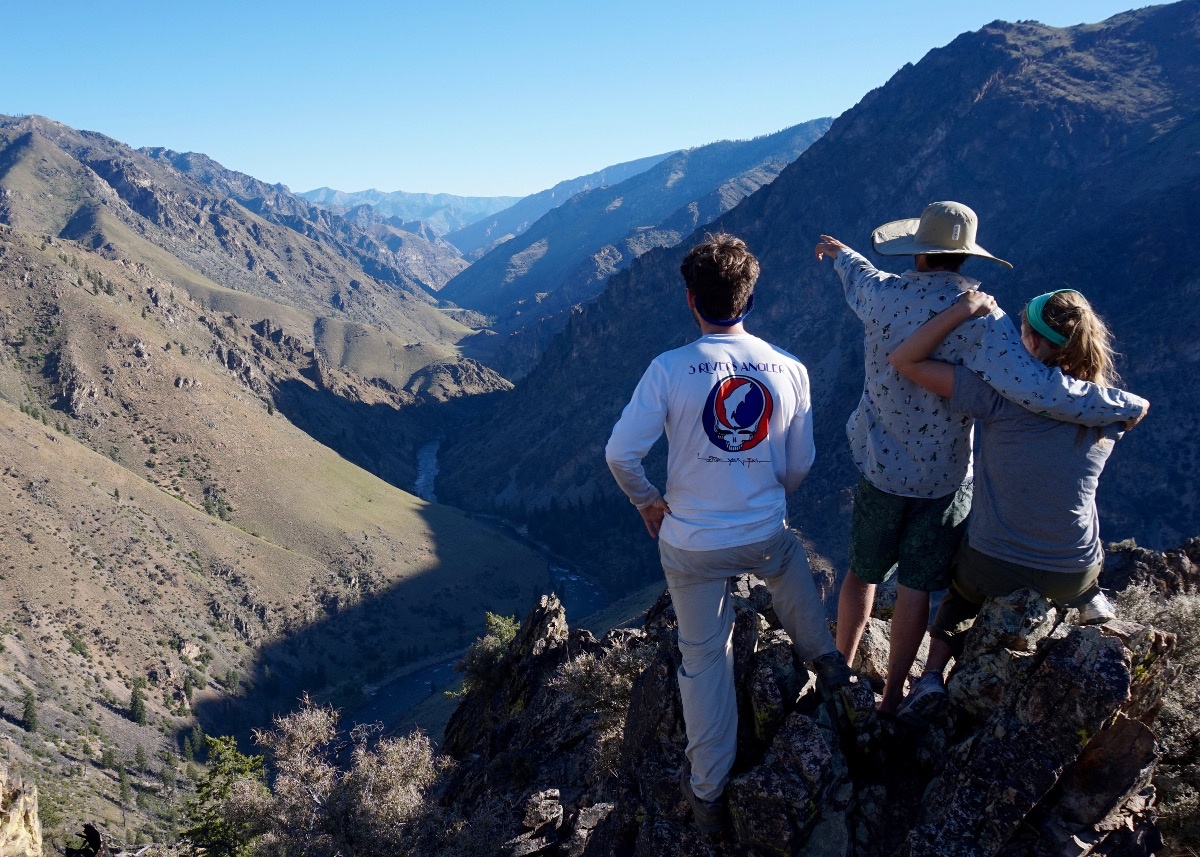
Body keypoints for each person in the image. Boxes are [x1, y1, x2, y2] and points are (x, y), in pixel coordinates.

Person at [814, 201, 1148, 715]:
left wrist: (840, 252)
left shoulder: (882, 295)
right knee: (916, 585)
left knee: (861, 572)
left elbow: (863, 275)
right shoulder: (986, 321)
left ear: (920, 251)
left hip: (879, 466)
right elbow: (1037, 387)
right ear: (964, 255)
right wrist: (1121, 405)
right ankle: (892, 696)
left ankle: (839, 668)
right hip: (945, 476)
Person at [605, 233, 850, 836]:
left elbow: (620, 454)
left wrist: (648, 503)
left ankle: (709, 792)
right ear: (749, 295)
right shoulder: (789, 369)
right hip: (763, 532)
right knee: (789, 562)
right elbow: (797, 467)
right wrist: (759, 494)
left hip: (689, 543)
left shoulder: (668, 369)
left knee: (703, 657)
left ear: (692, 300)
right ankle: (827, 662)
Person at [889, 287, 1141, 721]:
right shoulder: (1109, 414)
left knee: (957, 596)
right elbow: (1124, 409)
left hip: (992, 567)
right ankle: (1089, 597)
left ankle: (931, 675)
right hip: (1071, 571)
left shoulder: (997, 396)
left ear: (1034, 343)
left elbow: (905, 360)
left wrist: (960, 313)